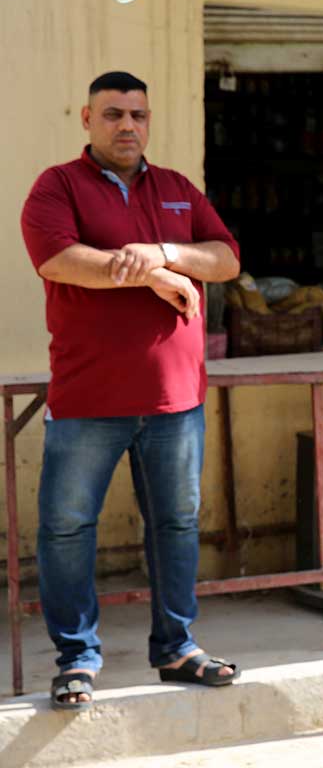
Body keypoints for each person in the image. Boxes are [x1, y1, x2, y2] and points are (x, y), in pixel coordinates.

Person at [19, 71, 242, 710]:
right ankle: (76, 660)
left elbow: (225, 258)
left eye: (138, 115)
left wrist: (163, 253)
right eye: (114, 114)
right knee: (66, 530)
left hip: (176, 401)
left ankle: (176, 647)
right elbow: (58, 260)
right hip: (88, 398)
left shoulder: (175, 188)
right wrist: (151, 278)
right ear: (86, 118)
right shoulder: (56, 186)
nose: (128, 125)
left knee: (175, 526)